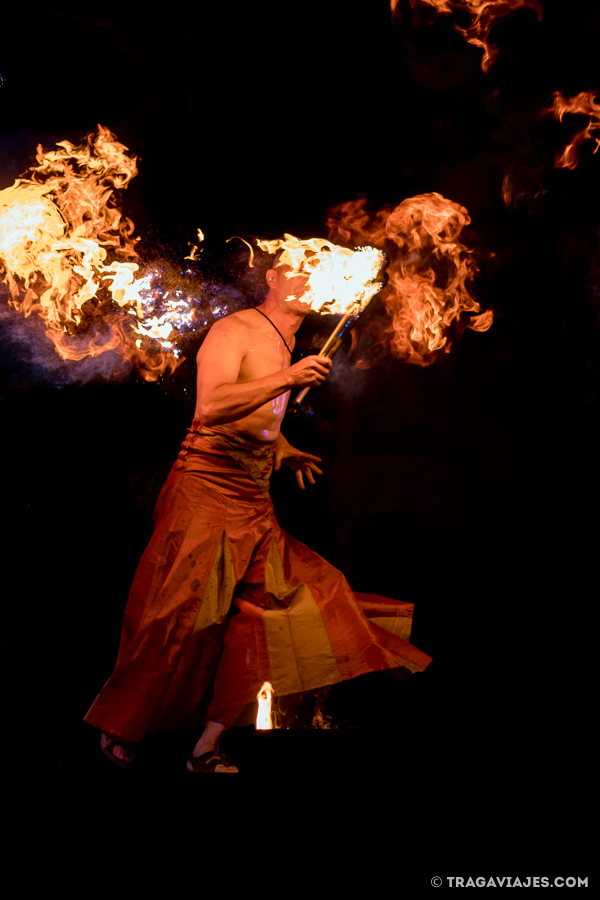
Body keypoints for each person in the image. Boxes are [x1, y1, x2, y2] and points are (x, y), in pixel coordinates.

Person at [84, 255, 432, 772]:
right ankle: (121, 721)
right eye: (298, 269)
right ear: (271, 278)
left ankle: (207, 746)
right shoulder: (236, 328)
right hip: (207, 483)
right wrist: (288, 377)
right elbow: (213, 406)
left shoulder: (287, 341)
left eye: (320, 274)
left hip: (252, 492)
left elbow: (260, 411)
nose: (309, 280)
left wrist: (282, 445)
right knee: (180, 611)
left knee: (283, 603)